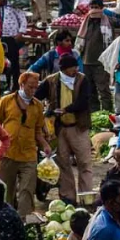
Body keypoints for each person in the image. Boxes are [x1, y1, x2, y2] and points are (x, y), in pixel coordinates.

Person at [38, 54, 94, 204]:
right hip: (59, 129)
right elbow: (37, 97)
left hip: (78, 127)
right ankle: (68, 197)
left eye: (76, 67)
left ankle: (86, 198)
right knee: (63, 164)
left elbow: (84, 101)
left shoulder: (82, 80)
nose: (75, 70)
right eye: (72, 68)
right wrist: (47, 112)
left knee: (84, 163)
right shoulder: (51, 81)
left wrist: (66, 109)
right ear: (63, 69)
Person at [0, 72, 51, 216]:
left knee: (27, 190)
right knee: (6, 191)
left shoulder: (37, 106)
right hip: (8, 153)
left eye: (35, 88)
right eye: (30, 87)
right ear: (22, 85)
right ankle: (5, 219)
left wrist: (45, 145)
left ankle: (24, 221)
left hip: (29, 154)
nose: (33, 90)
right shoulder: (6, 101)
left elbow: (38, 130)